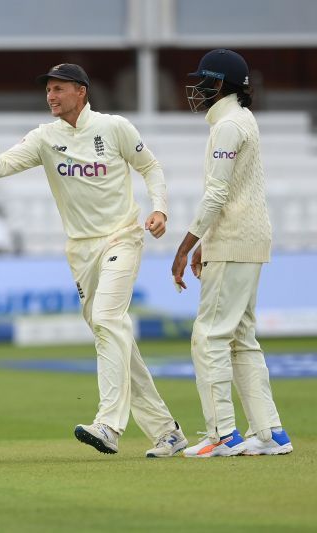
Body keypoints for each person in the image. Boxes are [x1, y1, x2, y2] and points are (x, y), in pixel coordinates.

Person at [0, 63, 187, 457]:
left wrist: (159, 208)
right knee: (112, 336)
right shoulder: (45, 137)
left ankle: (109, 424)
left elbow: (151, 167)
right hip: (80, 250)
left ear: (81, 91)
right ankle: (167, 430)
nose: (51, 96)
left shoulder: (114, 128)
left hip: (122, 237)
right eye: (48, 90)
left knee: (110, 321)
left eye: (58, 89)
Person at [172, 49, 293, 458]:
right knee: (242, 338)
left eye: (204, 81)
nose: (198, 88)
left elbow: (219, 193)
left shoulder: (227, 126)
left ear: (220, 84)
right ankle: (270, 432)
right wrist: (207, 242)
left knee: (208, 336)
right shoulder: (241, 120)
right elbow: (237, 193)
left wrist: (185, 244)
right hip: (247, 237)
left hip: (236, 240)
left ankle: (222, 435)